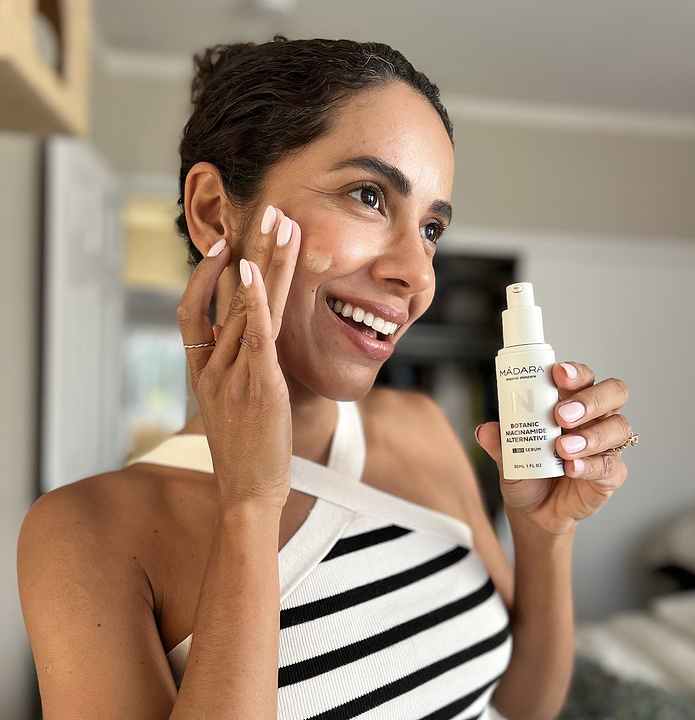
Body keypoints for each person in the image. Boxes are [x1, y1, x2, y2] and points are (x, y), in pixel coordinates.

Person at [19, 35, 635, 720]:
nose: (419, 274)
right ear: (213, 211)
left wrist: (545, 536)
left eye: (431, 227)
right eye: (369, 196)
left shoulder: (420, 429)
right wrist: (250, 505)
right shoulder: (89, 534)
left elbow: (521, 707)